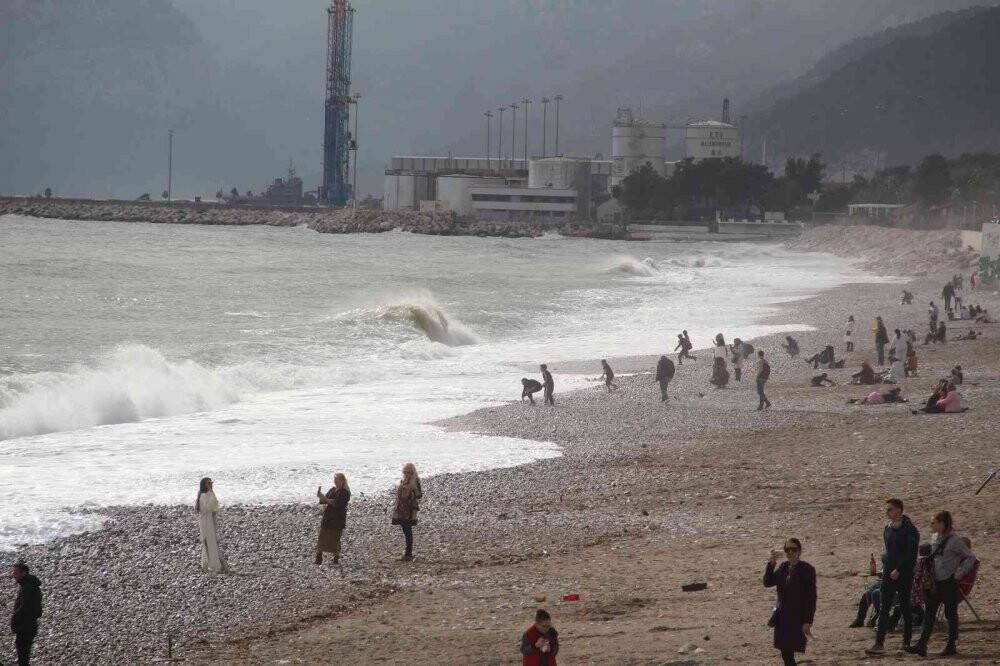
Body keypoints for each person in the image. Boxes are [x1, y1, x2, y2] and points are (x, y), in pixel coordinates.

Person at [905, 511, 977, 657]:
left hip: (949, 582)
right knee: (929, 613)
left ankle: (951, 645)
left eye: (934, 522)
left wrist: (960, 572)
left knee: (950, 614)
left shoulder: (955, 541)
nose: (931, 525)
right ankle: (922, 645)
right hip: (935, 581)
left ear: (942, 524)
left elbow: (971, 557)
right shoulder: (934, 537)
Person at [866, 499, 919, 654]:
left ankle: (906, 642)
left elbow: (911, 555)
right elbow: (890, 552)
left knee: (905, 607)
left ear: (899, 510)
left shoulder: (910, 529)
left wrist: (899, 569)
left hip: (904, 574)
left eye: (890, 509)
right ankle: (879, 643)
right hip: (888, 573)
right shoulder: (887, 528)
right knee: (884, 608)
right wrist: (887, 568)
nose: (887, 512)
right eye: (887, 509)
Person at [763, 538, 816, 666]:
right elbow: (768, 582)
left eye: (794, 549)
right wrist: (771, 563)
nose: (790, 552)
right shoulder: (783, 567)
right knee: (785, 653)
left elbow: (811, 597)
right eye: (787, 550)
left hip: (797, 616)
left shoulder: (807, 569)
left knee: (788, 652)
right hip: (782, 616)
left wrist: (808, 621)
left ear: (799, 551)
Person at [10, 561, 42, 666]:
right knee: (24, 654)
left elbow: (25, 608)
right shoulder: (29, 585)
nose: (13, 575)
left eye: (16, 572)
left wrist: (15, 620)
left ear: (23, 573)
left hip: (26, 627)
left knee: (23, 656)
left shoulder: (28, 587)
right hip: (29, 625)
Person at [315, 472, 350, 565]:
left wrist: (325, 499)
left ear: (342, 481)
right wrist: (321, 496)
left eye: (337, 480)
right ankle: (319, 556)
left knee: (336, 538)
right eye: (335, 480)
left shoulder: (345, 492)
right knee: (322, 536)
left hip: (338, 518)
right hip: (328, 517)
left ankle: (336, 557)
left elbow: (337, 503)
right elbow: (324, 501)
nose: (335, 481)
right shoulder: (332, 489)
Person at [195, 477, 228, 573]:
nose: (211, 485)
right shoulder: (203, 495)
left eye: (211, 483)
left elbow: (215, 505)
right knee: (209, 542)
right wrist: (211, 492)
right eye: (208, 483)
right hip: (206, 521)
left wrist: (211, 492)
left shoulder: (208, 494)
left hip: (210, 519)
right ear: (204, 485)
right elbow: (209, 506)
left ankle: (209, 564)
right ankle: (213, 565)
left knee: (212, 541)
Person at [391, 462, 422, 562]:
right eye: (405, 472)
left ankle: (408, 553)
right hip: (401, 507)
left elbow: (419, 495)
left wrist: (411, 492)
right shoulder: (403, 480)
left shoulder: (415, 481)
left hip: (410, 508)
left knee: (408, 529)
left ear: (413, 472)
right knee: (405, 529)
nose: (407, 474)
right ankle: (408, 553)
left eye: (409, 472)